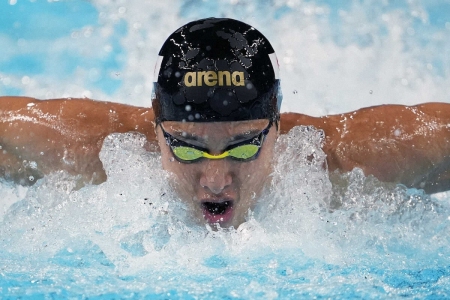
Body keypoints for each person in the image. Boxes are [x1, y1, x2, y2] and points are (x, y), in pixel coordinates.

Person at [1, 18, 450, 228]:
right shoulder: (92, 149)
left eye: (243, 145)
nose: (216, 180)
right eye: (188, 146)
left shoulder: (347, 159)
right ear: (156, 125)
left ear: (276, 125)